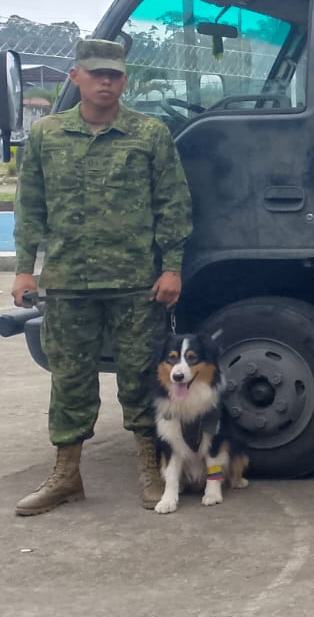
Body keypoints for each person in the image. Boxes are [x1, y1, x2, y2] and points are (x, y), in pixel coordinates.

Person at [11, 38, 193, 516]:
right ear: (76, 77)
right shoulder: (47, 134)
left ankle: (150, 468)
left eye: (113, 75)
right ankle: (66, 474)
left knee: (139, 379)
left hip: (136, 282)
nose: (105, 82)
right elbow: (30, 206)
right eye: (96, 74)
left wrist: (172, 266)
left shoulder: (148, 134)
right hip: (68, 282)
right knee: (70, 381)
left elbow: (172, 204)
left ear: (124, 80)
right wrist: (25, 270)